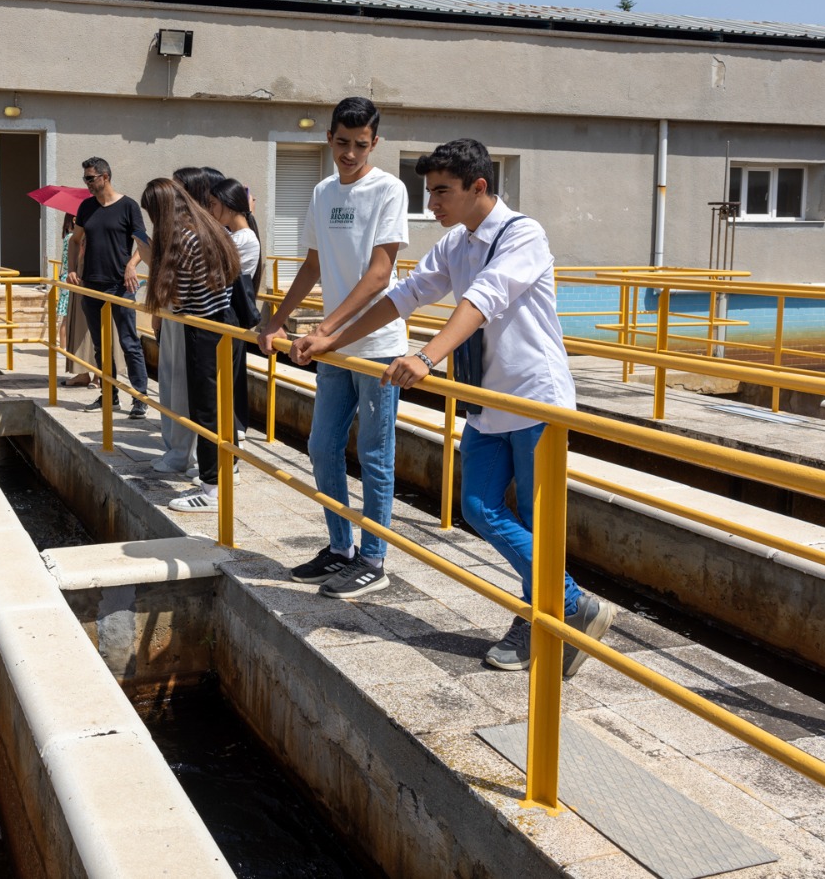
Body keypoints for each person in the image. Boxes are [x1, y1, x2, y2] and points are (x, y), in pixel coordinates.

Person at [291, 137, 614, 677]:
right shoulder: (458, 243)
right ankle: (568, 603)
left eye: (442, 192)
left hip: (536, 401)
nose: (431, 204)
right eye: (428, 192)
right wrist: (331, 338)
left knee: (536, 520)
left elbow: (483, 299)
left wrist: (425, 355)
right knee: (480, 508)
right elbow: (403, 295)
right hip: (487, 401)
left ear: (478, 186)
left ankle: (542, 615)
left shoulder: (522, 234)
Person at [257, 97, 408, 599]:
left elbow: (379, 275)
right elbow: (313, 266)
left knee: (375, 453)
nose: (349, 153)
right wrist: (275, 321)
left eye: (360, 145)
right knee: (322, 446)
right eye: (341, 142)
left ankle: (375, 557)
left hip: (377, 346)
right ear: (329, 138)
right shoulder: (323, 192)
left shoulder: (389, 188)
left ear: (374, 143)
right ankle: (341, 548)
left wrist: (326, 331)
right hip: (336, 348)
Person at [138, 178, 242, 513]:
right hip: (222, 323)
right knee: (218, 406)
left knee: (205, 409)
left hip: (201, 330)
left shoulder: (182, 237)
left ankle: (212, 490)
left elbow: (178, 299)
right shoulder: (207, 227)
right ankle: (223, 475)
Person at [152, 168, 228, 475]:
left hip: (190, 317)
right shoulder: (184, 228)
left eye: (178, 188)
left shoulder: (192, 231)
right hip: (178, 315)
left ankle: (183, 453)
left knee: (181, 387)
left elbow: (182, 284)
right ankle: (178, 449)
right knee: (171, 383)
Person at [68, 157, 150, 418]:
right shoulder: (86, 207)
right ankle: (110, 395)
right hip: (92, 284)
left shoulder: (128, 206)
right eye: (85, 179)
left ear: (105, 176)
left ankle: (140, 398)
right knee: (100, 346)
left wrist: (132, 264)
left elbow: (143, 242)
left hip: (121, 285)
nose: (87, 183)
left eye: (90, 178)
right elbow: (75, 240)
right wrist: (71, 269)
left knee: (129, 342)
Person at [208, 176, 262, 431]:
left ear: (228, 205)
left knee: (228, 381)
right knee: (221, 380)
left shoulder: (245, 239)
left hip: (230, 315)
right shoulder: (231, 236)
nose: (210, 211)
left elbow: (211, 270)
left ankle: (232, 437)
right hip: (222, 313)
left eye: (213, 205)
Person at [56, 214, 93, 387]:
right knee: (70, 319)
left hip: (77, 280)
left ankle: (64, 350)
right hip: (75, 279)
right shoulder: (74, 238)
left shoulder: (69, 237)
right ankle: (67, 352)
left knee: (68, 319)